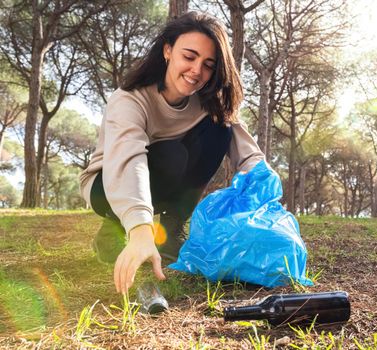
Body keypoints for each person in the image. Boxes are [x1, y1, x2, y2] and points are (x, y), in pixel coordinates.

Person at [79, 12, 265, 294]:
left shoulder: (209, 103)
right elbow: (129, 160)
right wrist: (141, 228)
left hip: (164, 175)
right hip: (107, 184)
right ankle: (117, 227)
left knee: (220, 129)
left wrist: (265, 185)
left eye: (208, 65)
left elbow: (248, 152)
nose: (196, 71)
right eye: (189, 57)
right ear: (168, 51)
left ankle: (172, 227)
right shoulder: (130, 99)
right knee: (171, 153)